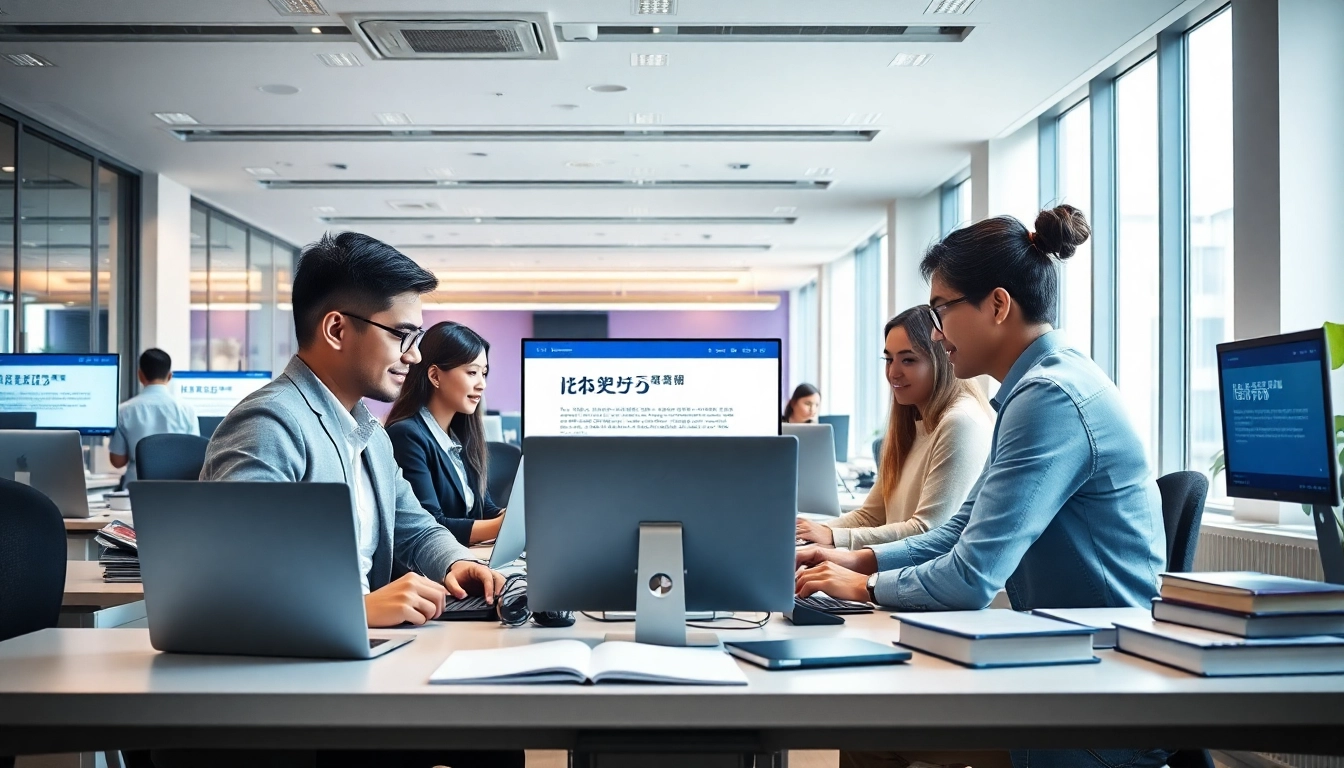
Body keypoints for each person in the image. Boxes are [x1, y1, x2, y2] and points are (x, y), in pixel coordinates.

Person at [794, 206, 1168, 768]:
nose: (938, 332)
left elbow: (970, 579)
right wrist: (860, 560)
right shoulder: (1033, 391)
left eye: (942, 309)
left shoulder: (1050, 398)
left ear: (997, 304)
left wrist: (865, 589)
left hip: (1106, 702)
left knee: (873, 729)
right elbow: (958, 533)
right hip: (1072, 667)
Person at [186, 233, 519, 768]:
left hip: (350, 661)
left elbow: (415, 526)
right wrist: (355, 610)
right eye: (403, 336)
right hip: (290, 689)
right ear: (337, 328)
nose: (413, 355)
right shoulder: (269, 423)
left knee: (497, 732)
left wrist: (457, 562)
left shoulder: (366, 430)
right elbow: (232, 587)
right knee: (491, 740)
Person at [796, 307, 992, 549]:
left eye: (908, 359)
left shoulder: (961, 422)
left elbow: (927, 530)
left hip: (922, 582)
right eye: (889, 359)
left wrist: (833, 537)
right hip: (897, 574)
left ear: (941, 359)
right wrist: (813, 532)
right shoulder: (911, 422)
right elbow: (870, 517)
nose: (893, 373)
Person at [386, 321, 505, 547]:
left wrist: (510, 517)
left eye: (484, 373)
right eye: (472, 372)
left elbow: (484, 508)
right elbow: (429, 525)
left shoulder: (460, 436)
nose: (482, 384)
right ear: (435, 376)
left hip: (468, 557)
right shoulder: (406, 436)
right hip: (430, 570)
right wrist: (501, 526)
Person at [108, 348, 199, 483]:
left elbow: (117, 461)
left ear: (140, 375)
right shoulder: (187, 410)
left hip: (136, 491)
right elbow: (193, 455)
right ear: (169, 376)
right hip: (178, 490)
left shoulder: (123, 411)